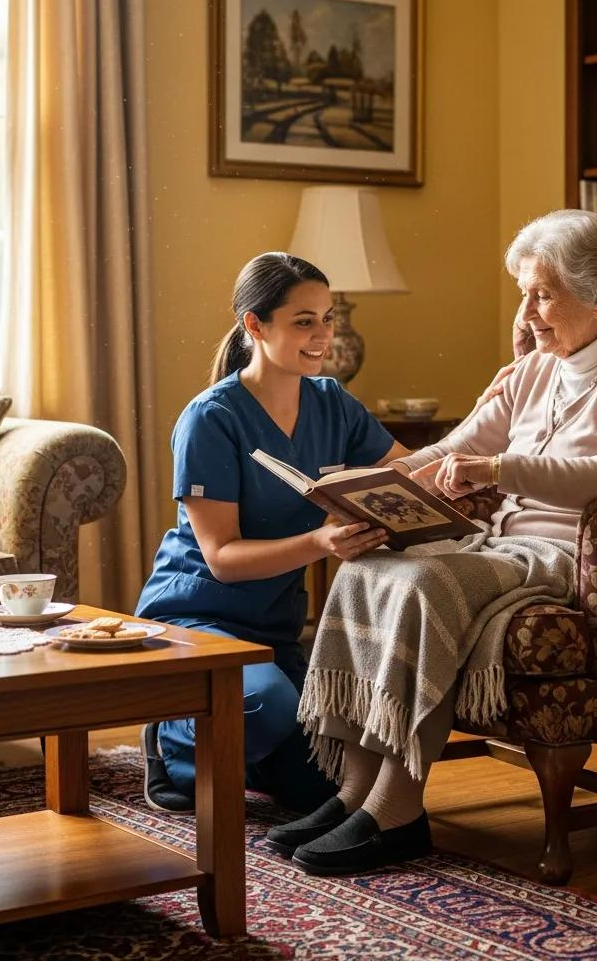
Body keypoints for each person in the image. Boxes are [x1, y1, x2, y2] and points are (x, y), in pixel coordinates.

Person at [265, 209, 597, 874]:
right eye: (525, 291)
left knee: (429, 581)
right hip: (505, 542)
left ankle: (398, 811)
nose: (527, 312)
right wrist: (365, 483)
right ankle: (353, 790)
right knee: (367, 561)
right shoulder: (535, 368)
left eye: (542, 293)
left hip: (574, 555)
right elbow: (452, 450)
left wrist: (499, 471)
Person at [136, 251, 408, 814]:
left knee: (335, 777)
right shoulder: (211, 418)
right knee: (268, 710)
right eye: (303, 321)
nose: (322, 335)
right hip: (197, 617)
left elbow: (411, 470)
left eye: (327, 317)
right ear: (254, 326)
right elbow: (222, 559)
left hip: (275, 632)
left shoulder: (333, 402)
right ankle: (170, 740)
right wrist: (318, 543)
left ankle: (244, 750)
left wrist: (488, 426)